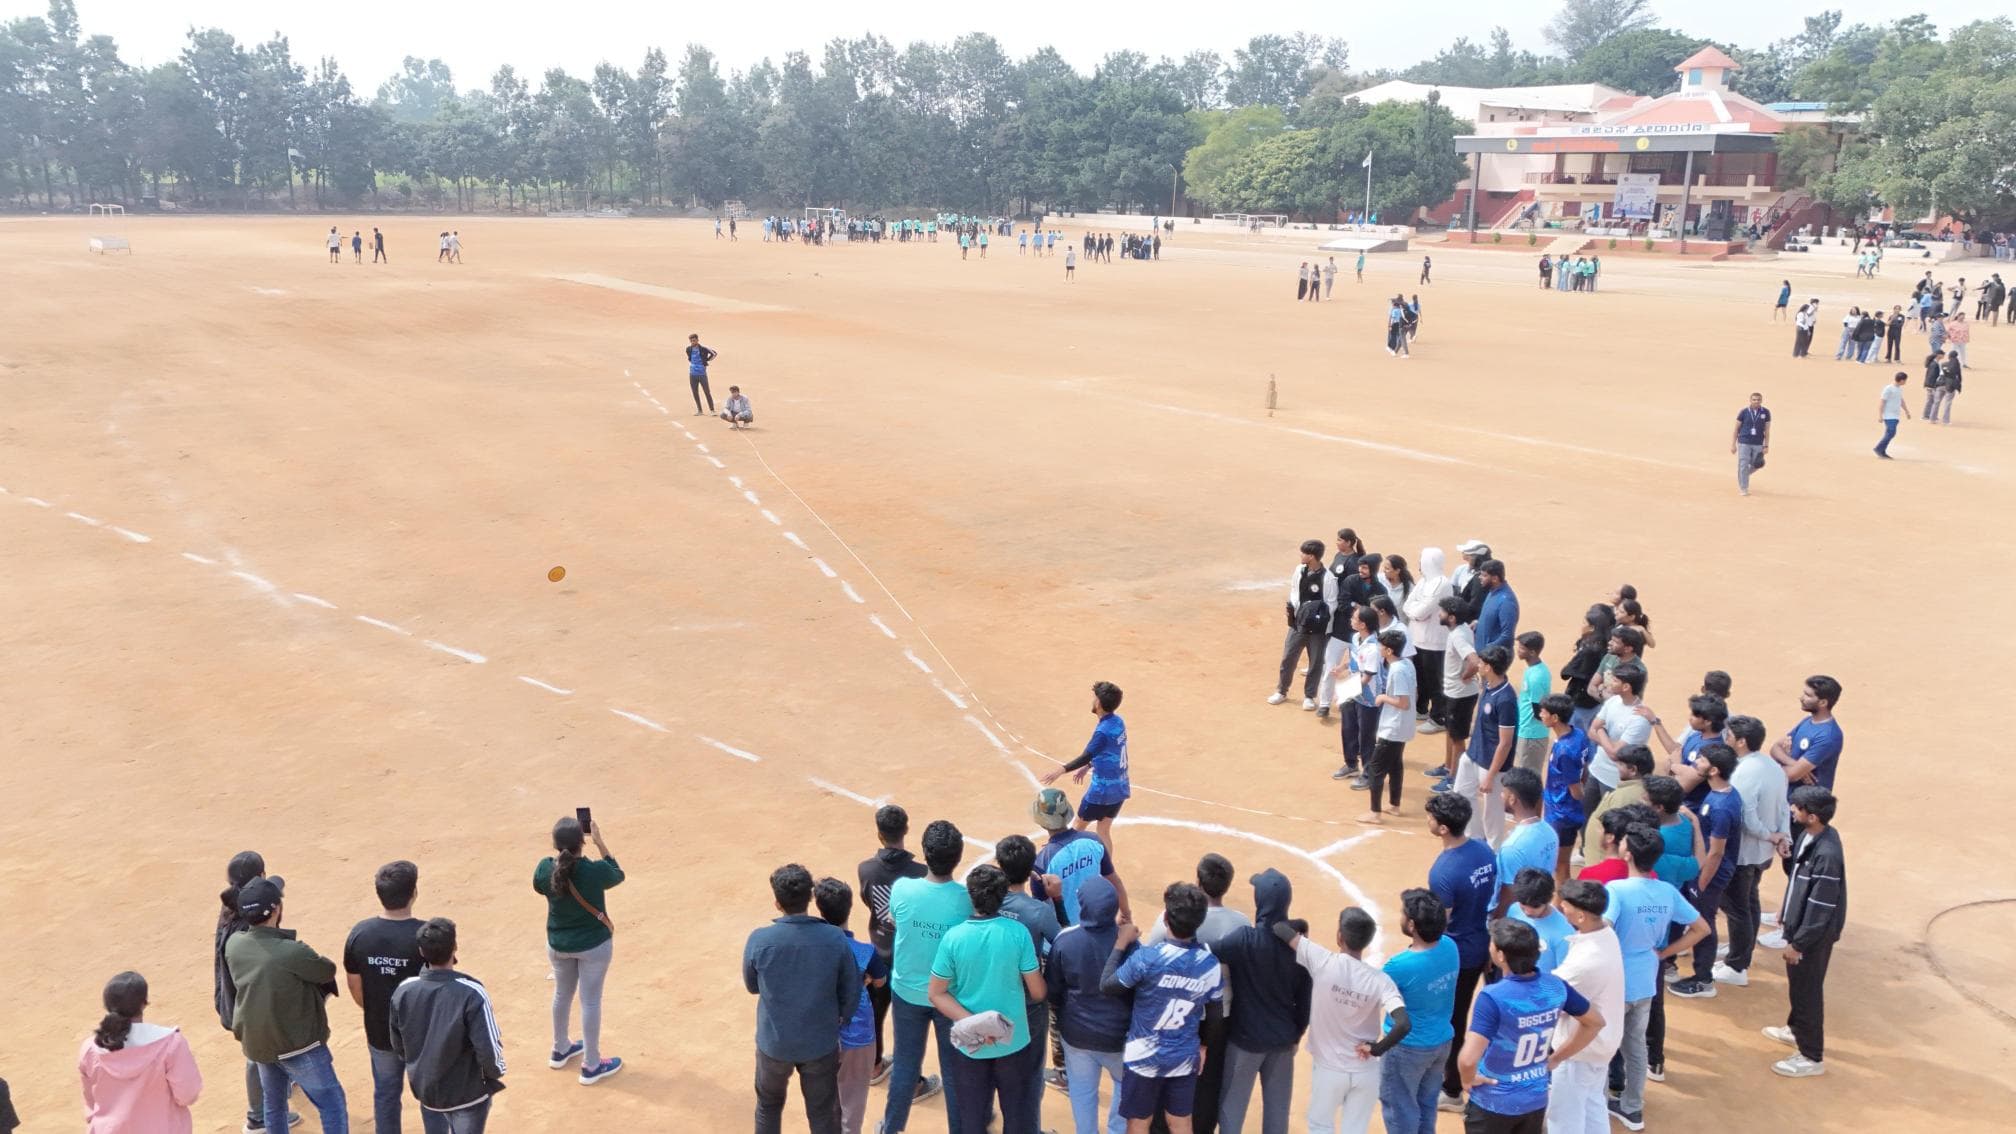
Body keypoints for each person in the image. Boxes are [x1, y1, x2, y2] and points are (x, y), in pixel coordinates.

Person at [225, 878, 350, 1134]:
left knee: (274, 1103)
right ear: (276, 910)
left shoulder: (234, 944)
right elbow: (326, 970)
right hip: (298, 1045)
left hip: (260, 1043)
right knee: (332, 1103)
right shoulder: (291, 952)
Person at [1603, 825, 1707, 1131]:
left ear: (1628, 853)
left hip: (1615, 983)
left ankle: (1597, 1102)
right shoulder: (1667, 891)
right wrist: (1663, 954)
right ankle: (1632, 1108)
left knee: (1603, 1046)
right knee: (1636, 1048)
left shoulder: (1617, 891)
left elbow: (1603, 931)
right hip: (1646, 980)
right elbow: (1701, 928)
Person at [1456, 921, 1604, 1134]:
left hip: (1493, 1102)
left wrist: (1467, 1079)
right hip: (1535, 1098)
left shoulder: (1493, 997)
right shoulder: (1555, 986)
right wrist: (1556, 1058)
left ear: (1500, 955)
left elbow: (1468, 1059)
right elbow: (1595, 1022)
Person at [929, 865, 1045, 1133]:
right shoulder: (1018, 933)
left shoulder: (953, 938)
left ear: (971, 896)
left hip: (971, 1045)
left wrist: (976, 1025)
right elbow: (1037, 992)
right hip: (1013, 1042)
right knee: (1017, 1117)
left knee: (972, 1118)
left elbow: (936, 993)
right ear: (1003, 896)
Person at [745, 864, 860, 1134]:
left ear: (777, 903)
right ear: (811, 898)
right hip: (819, 1043)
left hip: (774, 1043)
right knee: (822, 1114)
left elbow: (752, 986)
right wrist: (841, 1019)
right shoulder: (834, 938)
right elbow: (850, 990)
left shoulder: (760, 940)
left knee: (768, 1106)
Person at [1102, 883, 1225, 1134]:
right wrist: (1203, 1046)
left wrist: (1120, 944)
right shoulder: (1209, 964)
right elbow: (1215, 1014)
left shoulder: (1148, 958)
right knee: (1180, 1123)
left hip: (1143, 1057)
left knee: (1138, 1123)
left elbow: (1108, 985)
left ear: (1166, 918)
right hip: (1182, 1055)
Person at [1273, 908, 1407, 1134]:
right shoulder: (1381, 981)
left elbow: (1279, 929)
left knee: (1320, 1125)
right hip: (1365, 1071)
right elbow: (1403, 1023)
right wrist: (1376, 1050)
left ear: (1339, 937)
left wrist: (1300, 923)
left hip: (1329, 1069)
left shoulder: (1322, 960)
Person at [882, 820, 969, 1134]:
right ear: (957, 857)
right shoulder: (966, 899)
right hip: (948, 995)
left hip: (907, 990)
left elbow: (894, 919)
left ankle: (891, 1128)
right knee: (954, 1069)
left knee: (905, 1064)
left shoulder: (903, 888)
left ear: (925, 853)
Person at [1212, 870, 1313, 1134]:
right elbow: (1305, 1001)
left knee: (1232, 1110)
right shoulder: (1300, 948)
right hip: (1282, 1042)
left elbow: (1209, 950)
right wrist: (1296, 1034)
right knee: (1277, 1116)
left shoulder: (1243, 939)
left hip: (1244, 1041)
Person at [388, 918, 506, 1134]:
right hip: (467, 1094)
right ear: (454, 947)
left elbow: (398, 1044)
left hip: (428, 1091)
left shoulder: (403, 990)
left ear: (422, 952)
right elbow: (488, 1047)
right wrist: (495, 1072)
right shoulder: (472, 992)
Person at [532, 816, 624, 1085]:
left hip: (558, 945)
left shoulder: (544, 869)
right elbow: (617, 873)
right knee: (591, 1001)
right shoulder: (593, 871)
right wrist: (600, 842)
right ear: (581, 842)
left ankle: (560, 1048)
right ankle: (592, 1064)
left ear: (554, 843)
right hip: (593, 946)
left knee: (562, 993)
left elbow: (539, 886)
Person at [215, 851, 298, 1133]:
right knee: (257, 1055)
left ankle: (280, 1084)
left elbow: (273, 884)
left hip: (238, 994)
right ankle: (258, 1117)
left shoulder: (235, 906)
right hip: (246, 999)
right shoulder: (247, 922)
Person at [1766, 786, 1846, 1078]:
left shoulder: (1827, 854)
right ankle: (1795, 1028)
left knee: (1807, 992)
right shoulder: (1812, 836)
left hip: (1812, 937)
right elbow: (1799, 880)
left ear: (1811, 816)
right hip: (1799, 927)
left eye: (1796, 808)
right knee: (1798, 986)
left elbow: (1820, 908)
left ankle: (1812, 1056)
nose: (1792, 810)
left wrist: (1798, 944)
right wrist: (1786, 913)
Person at [1425, 792, 1496, 1112]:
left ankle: (1452, 1089)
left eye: (1431, 817)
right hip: (1483, 938)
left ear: (1442, 829)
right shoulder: (1483, 850)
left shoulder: (1443, 871)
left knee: (1453, 1020)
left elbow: (1440, 922)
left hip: (1459, 954)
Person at [344, 861, 424, 1134]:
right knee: (431, 1095)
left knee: (386, 1095)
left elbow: (355, 986)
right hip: (421, 1034)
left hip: (380, 1030)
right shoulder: (427, 937)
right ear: (414, 892)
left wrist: (378, 1010)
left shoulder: (360, 933)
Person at [1049, 875, 1131, 1134]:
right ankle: (1117, 1130)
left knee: (1083, 1094)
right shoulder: (1127, 942)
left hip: (1076, 1035)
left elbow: (1053, 990)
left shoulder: (1065, 940)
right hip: (1118, 1036)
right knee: (1124, 1083)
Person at [1544, 880, 1626, 1134]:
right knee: (1592, 1107)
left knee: (1564, 1119)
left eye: (1564, 906)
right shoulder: (1604, 933)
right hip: (1602, 1044)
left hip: (1578, 1052)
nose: (1560, 908)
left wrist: (1555, 1058)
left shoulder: (1585, 962)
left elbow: (1551, 995)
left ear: (1580, 914)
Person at [79, 971, 203, 1134]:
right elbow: (188, 1095)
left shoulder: (90, 1049)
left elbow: (91, 1102)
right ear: (144, 1003)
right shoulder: (171, 1043)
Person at [858, 804, 928, 1081]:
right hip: (910, 955)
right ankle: (911, 1080)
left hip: (879, 951)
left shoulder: (865, 869)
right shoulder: (920, 872)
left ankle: (874, 1065)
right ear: (907, 829)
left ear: (879, 834)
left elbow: (868, 902)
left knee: (876, 1010)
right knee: (909, 1019)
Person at [1377, 890, 1457, 1134]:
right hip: (1441, 1042)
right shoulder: (1450, 946)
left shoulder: (1399, 966)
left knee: (1401, 1111)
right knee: (1426, 1105)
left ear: (1412, 925)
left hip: (1407, 1049)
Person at [994, 835, 1061, 1116]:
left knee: (995, 1059)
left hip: (994, 992)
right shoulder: (1038, 911)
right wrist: (1054, 898)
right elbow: (1061, 942)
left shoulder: (987, 903)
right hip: (1030, 999)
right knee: (1032, 1067)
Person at [1670, 744, 1742, 999]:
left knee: (1703, 922)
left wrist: (1701, 882)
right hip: (1705, 869)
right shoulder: (1720, 795)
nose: (1696, 761)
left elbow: (1716, 852)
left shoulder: (1721, 806)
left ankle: (1703, 980)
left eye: (1701, 759)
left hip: (1710, 873)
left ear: (1713, 770)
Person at [816, 879, 886, 1134]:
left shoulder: (813, 949)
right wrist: (864, 979)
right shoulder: (865, 951)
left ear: (820, 910)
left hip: (821, 1034)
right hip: (857, 1036)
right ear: (850, 907)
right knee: (853, 1099)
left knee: (825, 1098)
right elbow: (880, 981)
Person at [1039, 681, 1131, 852]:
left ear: (1098, 703)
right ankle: (1107, 872)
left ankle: (1058, 859)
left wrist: (1061, 770)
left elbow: (1087, 755)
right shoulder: (1119, 722)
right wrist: (1090, 765)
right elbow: (1111, 752)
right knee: (1103, 830)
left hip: (1101, 791)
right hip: (1120, 788)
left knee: (1076, 828)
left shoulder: (1102, 732)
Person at [1031, 788, 1133, 927]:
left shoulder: (1042, 862)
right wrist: (1126, 913)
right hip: (1095, 927)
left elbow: (1038, 911)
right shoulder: (1094, 841)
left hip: (1063, 934)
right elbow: (1115, 881)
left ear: (1042, 822)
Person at [1453, 644, 1518, 845]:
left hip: (1492, 764)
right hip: (1474, 754)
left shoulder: (1506, 699)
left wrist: (1490, 775)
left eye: (1481, 663)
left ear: (1489, 667)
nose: (1478, 665)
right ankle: (1475, 838)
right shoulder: (1489, 686)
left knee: (1493, 811)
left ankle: (1494, 850)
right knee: (1462, 795)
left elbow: (1506, 742)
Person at [1270, 540, 1337, 710]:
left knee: (1315, 662)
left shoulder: (1328, 578)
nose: (1301, 555)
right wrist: (1294, 608)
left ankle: (1309, 696)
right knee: (1288, 658)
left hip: (1318, 629)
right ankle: (1282, 691)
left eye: (1304, 553)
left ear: (1312, 556)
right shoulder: (1299, 570)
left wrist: (1314, 614)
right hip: (1297, 625)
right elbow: (1294, 590)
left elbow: (1331, 603)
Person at [1362, 628, 1415, 823]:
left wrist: (1383, 697)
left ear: (1389, 651)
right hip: (1402, 725)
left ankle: (1374, 813)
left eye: (1381, 646)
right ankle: (1394, 804)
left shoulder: (1397, 670)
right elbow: (1413, 695)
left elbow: (1403, 703)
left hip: (1393, 726)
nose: (1379, 648)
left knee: (1376, 768)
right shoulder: (1407, 664)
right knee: (1395, 765)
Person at [1537, 694, 1592, 880]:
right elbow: (1584, 769)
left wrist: (1575, 800)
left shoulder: (1564, 750)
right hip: (1560, 811)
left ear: (1555, 718)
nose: (1541, 714)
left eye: (1544, 712)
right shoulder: (1578, 734)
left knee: (1560, 866)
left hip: (1561, 814)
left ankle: (1561, 904)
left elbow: (1576, 790)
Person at [1401, 548, 1452, 732]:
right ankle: (1421, 708)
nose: (1419, 564)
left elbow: (1422, 611)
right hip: (1417, 638)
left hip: (1434, 641)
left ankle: (1438, 717)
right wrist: (1416, 613)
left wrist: (1416, 612)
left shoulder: (1441, 584)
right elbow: (1408, 605)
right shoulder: (1424, 581)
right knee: (1420, 677)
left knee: (1435, 681)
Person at [1579, 744, 1652, 869]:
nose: (1617, 768)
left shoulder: (1625, 796)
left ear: (1633, 770)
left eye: (1621, 765)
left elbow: (1614, 829)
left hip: (1602, 861)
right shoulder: (1634, 790)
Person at [1493, 770, 1555, 916]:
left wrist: (1497, 920)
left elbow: (1509, 894)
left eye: (1504, 792)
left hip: (1516, 918)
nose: (1501, 796)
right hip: (1538, 909)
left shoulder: (1512, 847)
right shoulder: (1550, 832)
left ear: (1512, 799)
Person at [1770, 676, 1845, 791]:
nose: (1801, 698)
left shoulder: (1828, 736)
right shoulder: (1808, 721)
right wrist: (1795, 764)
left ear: (1823, 702)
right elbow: (1775, 748)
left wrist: (1770, 770)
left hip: (1806, 806)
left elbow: (1792, 775)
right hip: (1788, 799)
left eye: (1808, 695)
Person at [1503, 869, 1573, 975]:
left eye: (1535, 906)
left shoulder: (1564, 934)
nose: (1528, 911)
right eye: (1523, 904)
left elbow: (1565, 977)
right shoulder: (1513, 910)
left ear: (1549, 899)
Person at [1512, 632, 1551, 775]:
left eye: (1522, 648)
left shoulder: (1536, 677)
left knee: (1528, 777)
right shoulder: (1533, 670)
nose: (1518, 650)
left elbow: (1538, 710)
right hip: (1526, 731)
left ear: (1533, 652)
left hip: (1532, 735)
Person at [1473, 561, 1518, 652]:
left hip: (1492, 659)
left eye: (1484, 575)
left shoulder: (1506, 601)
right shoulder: (1492, 592)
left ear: (1495, 578)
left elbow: (1507, 636)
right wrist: (1478, 624)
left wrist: (1487, 650)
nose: (1480, 578)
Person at [1732, 392, 1771, 496]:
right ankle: (1744, 488)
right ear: (1750, 400)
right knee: (1743, 464)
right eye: (1754, 399)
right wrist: (1733, 444)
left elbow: (1767, 430)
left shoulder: (1766, 412)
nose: (1756, 401)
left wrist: (1766, 445)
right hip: (1744, 442)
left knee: (1758, 464)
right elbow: (1736, 429)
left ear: (1761, 400)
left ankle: (1743, 474)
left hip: (1758, 443)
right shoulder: (1744, 412)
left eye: (1758, 400)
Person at [1874, 370, 1911, 458]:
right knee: (1891, 432)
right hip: (1888, 415)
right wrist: (1880, 415)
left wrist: (1906, 411)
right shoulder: (1888, 388)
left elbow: (1901, 400)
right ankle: (1879, 448)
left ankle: (1882, 451)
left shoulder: (1899, 389)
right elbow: (1882, 402)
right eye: (1905, 380)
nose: (1905, 382)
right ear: (1901, 380)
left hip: (1895, 415)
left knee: (1890, 433)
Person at [686, 333, 719, 416]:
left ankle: (712, 410)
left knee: (707, 392)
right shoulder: (688, 349)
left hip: (702, 373)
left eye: (694, 340)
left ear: (697, 340)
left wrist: (706, 360)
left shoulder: (703, 348)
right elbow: (689, 358)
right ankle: (699, 410)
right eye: (691, 341)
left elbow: (714, 353)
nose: (693, 342)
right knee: (695, 392)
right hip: (692, 373)